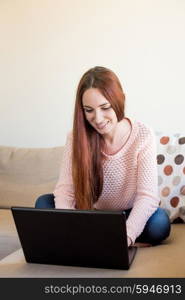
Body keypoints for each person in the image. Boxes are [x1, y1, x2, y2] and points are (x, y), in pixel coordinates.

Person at [35, 66, 171, 247]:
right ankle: (88, 237)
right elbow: (66, 190)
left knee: (159, 223)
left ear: (119, 100)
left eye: (105, 107)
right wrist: (66, 226)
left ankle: (97, 238)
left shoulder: (143, 135)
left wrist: (126, 236)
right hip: (91, 215)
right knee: (43, 203)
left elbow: (147, 196)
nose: (98, 119)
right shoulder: (75, 137)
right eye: (89, 110)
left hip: (127, 214)